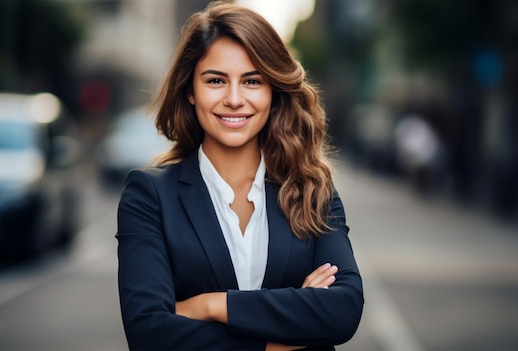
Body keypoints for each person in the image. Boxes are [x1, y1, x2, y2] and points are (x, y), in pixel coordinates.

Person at [116, 2, 363, 350]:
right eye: (216, 80)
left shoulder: (311, 190)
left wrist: (210, 305)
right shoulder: (149, 195)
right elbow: (149, 334)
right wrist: (280, 339)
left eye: (252, 81)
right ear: (190, 90)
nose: (234, 99)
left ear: (273, 92)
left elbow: (344, 309)